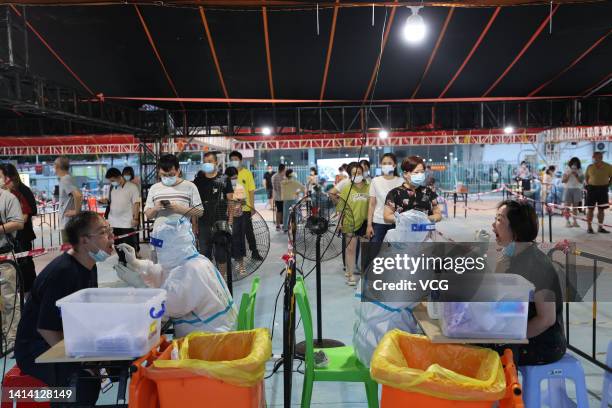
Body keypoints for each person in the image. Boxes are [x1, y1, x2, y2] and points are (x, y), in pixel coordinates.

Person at [15, 212, 112, 406]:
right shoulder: (63, 273)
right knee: (82, 383)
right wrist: (82, 361)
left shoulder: (89, 264)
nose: (111, 238)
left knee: (115, 365)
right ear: (84, 241)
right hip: (37, 347)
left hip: (66, 335)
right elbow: (47, 329)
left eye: (110, 231)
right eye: (103, 233)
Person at [117, 215, 236, 337]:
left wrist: (141, 286)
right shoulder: (194, 260)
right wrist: (136, 263)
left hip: (210, 340)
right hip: (217, 331)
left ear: (168, 248)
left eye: (158, 248)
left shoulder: (190, 271)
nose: (157, 253)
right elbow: (162, 272)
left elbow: (168, 306)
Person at [492, 200, 566, 365]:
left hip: (543, 343)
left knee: (489, 352)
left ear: (516, 231)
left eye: (499, 220)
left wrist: (508, 336)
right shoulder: (510, 255)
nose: (493, 225)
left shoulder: (537, 265)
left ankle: (508, 390)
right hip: (517, 328)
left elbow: (546, 319)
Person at [193, 152, 233, 278]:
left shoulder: (223, 179)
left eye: (210, 161)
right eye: (205, 161)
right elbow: (194, 204)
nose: (207, 164)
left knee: (222, 254)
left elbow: (230, 200)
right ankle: (209, 279)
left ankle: (221, 280)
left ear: (216, 162)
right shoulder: (198, 181)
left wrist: (230, 220)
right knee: (205, 253)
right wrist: (194, 224)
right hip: (203, 222)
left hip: (221, 222)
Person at [0, 164, 38, 294]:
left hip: (22, 237)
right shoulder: (8, 194)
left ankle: (31, 296)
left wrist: (7, 225)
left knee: (25, 268)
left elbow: (23, 219)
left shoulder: (21, 192)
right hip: (13, 238)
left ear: (10, 178)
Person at [144, 154, 203, 223]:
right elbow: (148, 215)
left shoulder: (190, 186)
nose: (167, 177)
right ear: (159, 172)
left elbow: (200, 212)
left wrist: (180, 209)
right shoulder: (154, 188)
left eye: (171, 174)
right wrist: (155, 208)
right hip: (160, 232)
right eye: (164, 175)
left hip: (182, 233)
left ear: (178, 170)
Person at [0, 184, 24, 352]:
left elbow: (18, 222)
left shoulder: (7, 198)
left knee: (9, 299)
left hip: (4, 256)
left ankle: (12, 340)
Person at [384, 156, 442, 225]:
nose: (420, 175)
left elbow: (438, 214)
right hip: (404, 233)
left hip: (424, 233)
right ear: (405, 174)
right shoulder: (394, 193)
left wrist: (425, 219)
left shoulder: (428, 192)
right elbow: (387, 217)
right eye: (416, 172)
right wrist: (405, 219)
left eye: (422, 172)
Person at [339, 162, 370, 286]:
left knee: (365, 250)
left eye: (358, 173)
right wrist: (340, 223)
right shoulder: (347, 188)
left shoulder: (369, 186)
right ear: (350, 175)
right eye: (353, 173)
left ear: (362, 173)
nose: (356, 175)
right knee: (350, 250)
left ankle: (365, 276)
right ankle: (351, 275)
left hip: (365, 222)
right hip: (350, 222)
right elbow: (341, 206)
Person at [228, 151, 262, 260]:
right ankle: (236, 254)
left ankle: (254, 252)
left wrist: (252, 207)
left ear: (241, 160)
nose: (234, 161)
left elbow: (251, 191)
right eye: (232, 159)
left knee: (249, 231)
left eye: (236, 159)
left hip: (246, 208)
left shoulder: (247, 173)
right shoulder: (228, 173)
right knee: (235, 233)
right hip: (233, 209)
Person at [100, 168, 140, 253]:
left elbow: (136, 204)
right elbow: (111, 201)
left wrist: (136, 218)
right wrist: (104, 201)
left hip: (127, 223)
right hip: (113, 222)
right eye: (110, 181)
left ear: (119, 177)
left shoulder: (132, 187)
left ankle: (130, 264)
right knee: (117, 245)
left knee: (129, 247)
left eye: (112, 180)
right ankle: (121, 262)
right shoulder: (112, 187)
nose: (111, 182)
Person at [366, 153, 402, 243]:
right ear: (381, 165)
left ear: (394, 165)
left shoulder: (401, 181)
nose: (386, 165)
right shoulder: (375, 181)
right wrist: (369, 225)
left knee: (395, 253)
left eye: (389, 163)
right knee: (374, 251)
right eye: (384, 163)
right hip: (378, 222)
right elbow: (372, 204)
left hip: (397, 222)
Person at [55, 156, 82, 244]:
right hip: (69, 222)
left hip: (67, 223)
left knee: (69, 250)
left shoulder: (65, 179)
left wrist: (76, 212)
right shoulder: (69, 178)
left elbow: (78, 196)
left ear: (57, 166)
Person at [584, 151, 612, 234]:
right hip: (592, 189)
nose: (593, 158)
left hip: (603, 189)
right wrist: (588, 185)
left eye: (594, 157)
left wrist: (608, 185)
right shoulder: (590, 167)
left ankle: (600, 227)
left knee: (601, 210)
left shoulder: (608, 167)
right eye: (593, 157)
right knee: (590, 209)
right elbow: (586, 177)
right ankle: (589, 227)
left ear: (600, 157)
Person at [562, 157, 584, 228]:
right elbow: (564, 180)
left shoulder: (580, 170)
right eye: (573, 163)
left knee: (575, 207)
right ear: (570, 163)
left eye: (576, 163)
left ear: (578, 164)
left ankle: (575, 221)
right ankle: (567, 221)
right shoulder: (567, 169)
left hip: (577, 189)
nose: (574, 165)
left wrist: (576, 175)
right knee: (567, 207)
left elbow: (581, 181)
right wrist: (569, 174)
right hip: (568, 188)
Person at [271, 164, 286, 231]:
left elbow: (274, 188)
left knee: (279, 211)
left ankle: (278, 225)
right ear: (283, 169)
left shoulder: (274, 176)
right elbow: (277, 188)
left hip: (277, 197)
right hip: (281, 197)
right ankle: (281, 225)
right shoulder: (281, 177)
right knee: (281, 211)